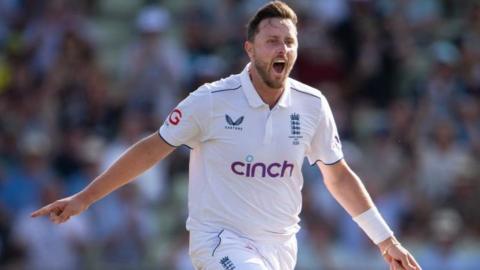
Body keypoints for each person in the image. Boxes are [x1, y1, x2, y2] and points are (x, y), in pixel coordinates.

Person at [32, 2, 422, 269]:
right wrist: (85, 198)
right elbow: (153, 148)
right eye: (272, 41)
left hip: (281, 249)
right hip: (220, 241)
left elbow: (337, 176)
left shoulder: (312, 104)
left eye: (289, 41)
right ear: (249, 49)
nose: (282, 48)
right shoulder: (211, 101)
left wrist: (385, 240)